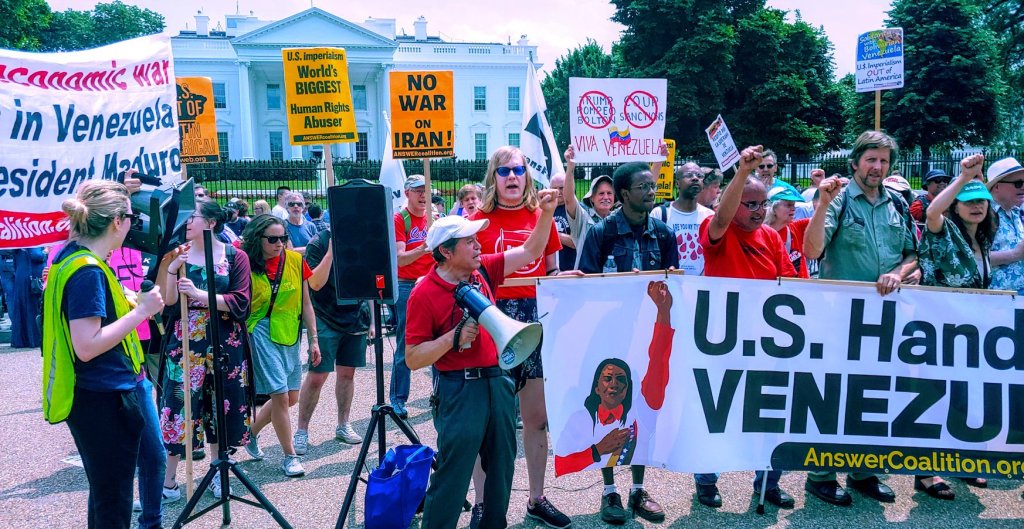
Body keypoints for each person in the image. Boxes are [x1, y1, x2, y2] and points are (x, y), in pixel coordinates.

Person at [404, 189, 560, 529]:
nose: (479, 246)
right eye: (469, 241)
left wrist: (546, 213)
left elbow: (532, 250)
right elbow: (413, 358)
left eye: (477, 240)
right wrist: (452, 338)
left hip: (498, 383)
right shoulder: (423, 293)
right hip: (460, 390)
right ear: (445, 251)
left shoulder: (483, 270)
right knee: (454, 472)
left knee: (503, 466)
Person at [804, 130, 919, 506]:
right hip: (840, 319)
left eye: (884, 161)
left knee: (873, 394)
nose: (878, 167)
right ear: (855, 162)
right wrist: (822, 204)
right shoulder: (837, 200)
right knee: (834, 394)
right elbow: (812, 249)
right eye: (871, 159)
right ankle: (821, 475)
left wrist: (899, 274)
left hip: (884, 319)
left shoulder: (898, 204)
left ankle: (862, 471)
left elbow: (912, 254)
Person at [42, 180, 165, 529]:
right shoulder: (88, 270)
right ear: (116, 221)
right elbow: (87, 345)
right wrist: (140, 313)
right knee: (113, 503)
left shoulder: (74, 257)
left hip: (94, 393)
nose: (134, 224)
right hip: (104, 397)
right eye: (132, 216)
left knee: (105, 496)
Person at [468, 146, 569, 528]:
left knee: (536, 418)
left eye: (519, 170)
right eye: (504, 170)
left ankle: (537, 498)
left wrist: (566, 282)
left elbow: (551, 271)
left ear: (528, 176)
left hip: (534, 321)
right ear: (493, 176)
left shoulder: (542, 218)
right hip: (491, 322)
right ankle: (482, 505)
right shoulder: (476, 221)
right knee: (488, 421)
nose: (512, 177)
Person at [576, 160, 679, 523]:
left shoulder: (664, 234)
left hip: (647, 336)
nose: (652, 192)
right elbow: (583, 285)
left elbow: (673, 285)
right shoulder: (601, 233)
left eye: (653, 186)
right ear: (623, 194)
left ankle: (638, 489)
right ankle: (609, 492)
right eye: (643, 187)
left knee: (644, 410)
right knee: (610, 407)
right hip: (609, 335)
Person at [697, 146, 798, 509]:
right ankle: (706, 480)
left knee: (770, 414)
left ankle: (767, 481)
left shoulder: (771, 238)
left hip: (767, 343)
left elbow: (791, 285)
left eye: (763, 204)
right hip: (723, 341)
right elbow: (721, 219)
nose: (758, 211)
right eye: (749, 204)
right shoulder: (716, 231)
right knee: (718, 413)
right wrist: (742, 172)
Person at [155, 200, 254, 501]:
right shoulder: (179, 254)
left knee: (221, 405)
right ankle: (169, 482)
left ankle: (219, 473)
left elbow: (241, 301)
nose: (186, 221)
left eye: (192, 216)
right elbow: (170, 302)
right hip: (185, 341)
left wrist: (201, 294)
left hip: (225, 340)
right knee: (177, 406)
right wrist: (172, 268)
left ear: (210, 223)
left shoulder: (235, 256)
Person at [913, 154, 996, 499]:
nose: (976, 206)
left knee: (965, 400)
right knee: (936, 399)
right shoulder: (943, 231)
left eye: (981, 201)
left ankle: (963, 462)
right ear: (956, 207)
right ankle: (926, 473)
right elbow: (932, 212)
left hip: (971, 333)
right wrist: (962, 179)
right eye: (968, 201)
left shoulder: (984, 240)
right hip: (939, 329)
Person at [241, 215, 320, 477]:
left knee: (290, 398)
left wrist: (314, 340)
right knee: (280, 395)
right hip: (260, 330)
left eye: (283, 238)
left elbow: (306, 303)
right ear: (258, 239)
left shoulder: (296, 261)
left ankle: (249, 433)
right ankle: (290, 457)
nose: (279, 244)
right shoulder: (245, 264)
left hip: (289, 331)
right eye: (272, 239)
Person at [293, 228, 372, 453]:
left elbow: (371, 280)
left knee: (347, 374)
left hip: (355, 316)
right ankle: (302, 430)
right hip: (325, 316)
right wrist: (331, 252)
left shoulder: (363, 237)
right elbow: (315, 283)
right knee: (317, 376)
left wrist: (373, 321)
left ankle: (343, 424)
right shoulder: (319, 242)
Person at [391, 174, 436, 419]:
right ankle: (398, 399)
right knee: (405, 341)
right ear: (407, 193)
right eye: (418, 190)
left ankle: (439, 392)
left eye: (426, 190)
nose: (423, 195)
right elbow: (400, 258)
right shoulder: (401, 219)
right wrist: (423, 247)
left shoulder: (434, 217)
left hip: (431, 283)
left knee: (439, 339)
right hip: (407, 284)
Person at [650, 163, 715, 276]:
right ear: (677, 183)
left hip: (700, 285)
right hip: (668, 285)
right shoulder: (660, 214)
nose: (695, 178)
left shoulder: (710, 216)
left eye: (699, 175)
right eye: (689, 175)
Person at [986, 156, 1024, 294]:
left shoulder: (1015, 211)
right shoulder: (983, 214)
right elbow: (973, 258)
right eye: (1018, 183)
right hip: (1000, 299)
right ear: (997, 187)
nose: (1023, 187)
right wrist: (1014, 255)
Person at [765, 186, 813, 278]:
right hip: (774, 289)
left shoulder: (796, 227)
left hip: (800, 288)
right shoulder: (761, 234)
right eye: (788, 205)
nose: (793, 209)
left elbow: (820, 217)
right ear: (773, 208)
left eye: (793, 205)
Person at [11, 247, 45, 347]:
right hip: (31, 277)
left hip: (21, 274)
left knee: (21, 308)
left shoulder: (18, 238)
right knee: (32, 308)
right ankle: (33, 339)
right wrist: (46, 252)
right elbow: (36, 255)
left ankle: (21, 339)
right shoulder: (32, 237)